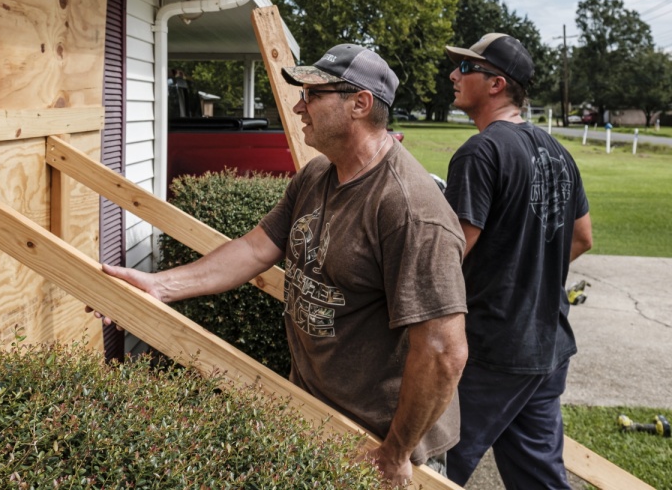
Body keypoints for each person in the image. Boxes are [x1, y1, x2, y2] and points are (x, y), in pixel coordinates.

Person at [100, 44, 468, 486]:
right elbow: (255, 250)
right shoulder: (317, 176)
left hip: (380, 444)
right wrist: (161, 286)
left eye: (312, 95)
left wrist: (396, 452)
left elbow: (443, 351)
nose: (298, 106)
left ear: (360, 103)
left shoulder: (410, 209)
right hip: (316, 416)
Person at [442, 33, 594, 488]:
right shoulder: (559, 154)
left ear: (496, 84)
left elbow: (449, 254)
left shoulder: (481, 152)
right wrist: (525, 268)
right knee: (539, 476)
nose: (453, 74)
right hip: (548, 346)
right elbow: (583, 237)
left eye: (466, 68)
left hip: (492, 350)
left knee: (430, 464)